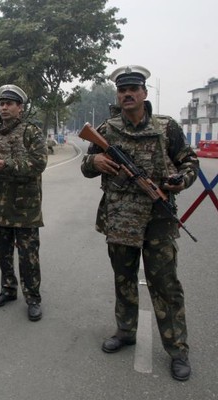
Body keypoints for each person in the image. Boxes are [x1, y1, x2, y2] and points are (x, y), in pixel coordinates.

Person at [80, 65, 198, 381]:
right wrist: (96, 160)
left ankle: (177, 349)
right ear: (118, 96)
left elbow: (190, 162)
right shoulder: (107, 129)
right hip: (119, 218)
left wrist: (179, 180)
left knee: (165, 284)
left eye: (133, 89)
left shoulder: (166, 128)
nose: (127, 94)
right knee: (124, 278)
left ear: (144, 94)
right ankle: (126, 331)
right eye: (122, 90)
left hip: (158, 219)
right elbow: (86, 165)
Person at [0, 85, 47, 321]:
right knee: (3, 252)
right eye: (1, 103)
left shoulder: (31, 132)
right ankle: (8, 289)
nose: (4, 107)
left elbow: (39, 163)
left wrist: (7, 165)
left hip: (25, 208)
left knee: (28, 256)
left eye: (9, 104)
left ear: (20, 108)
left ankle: (33, 298)